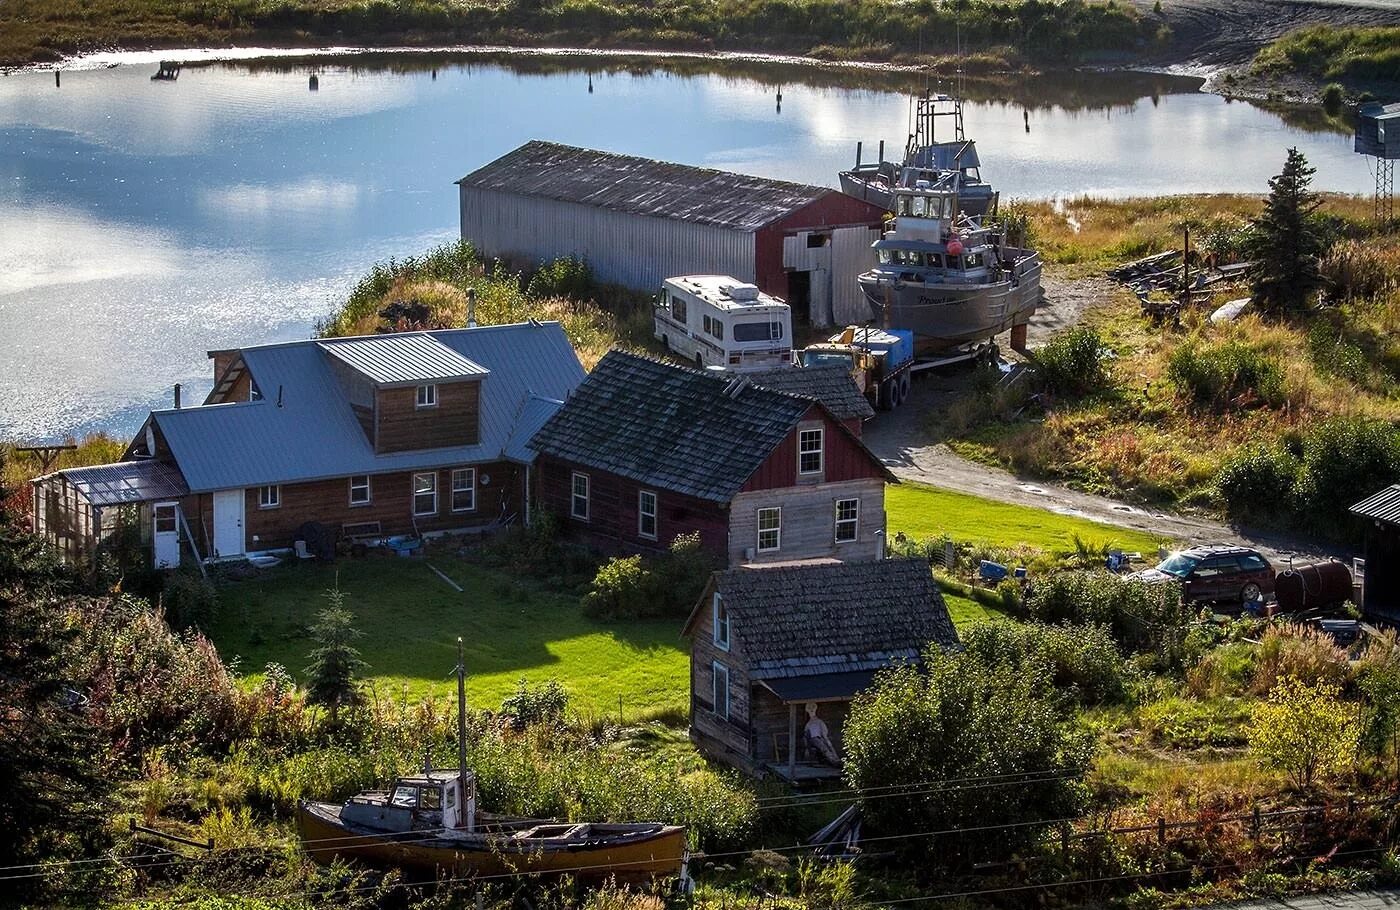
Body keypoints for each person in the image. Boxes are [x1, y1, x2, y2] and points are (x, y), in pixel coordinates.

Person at [804, 703, 840, 767]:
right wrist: (807, 745)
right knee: (823, 747)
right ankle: (833, 760)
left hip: (820, 737)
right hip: (814, 739)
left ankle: (836, 758)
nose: (811, 710)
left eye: (813, 708)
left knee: (829, 745)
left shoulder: (819, 722)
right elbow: (806, 733)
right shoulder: (809, 724)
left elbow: (824, 731)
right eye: (809, 708)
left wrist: (825, 738)